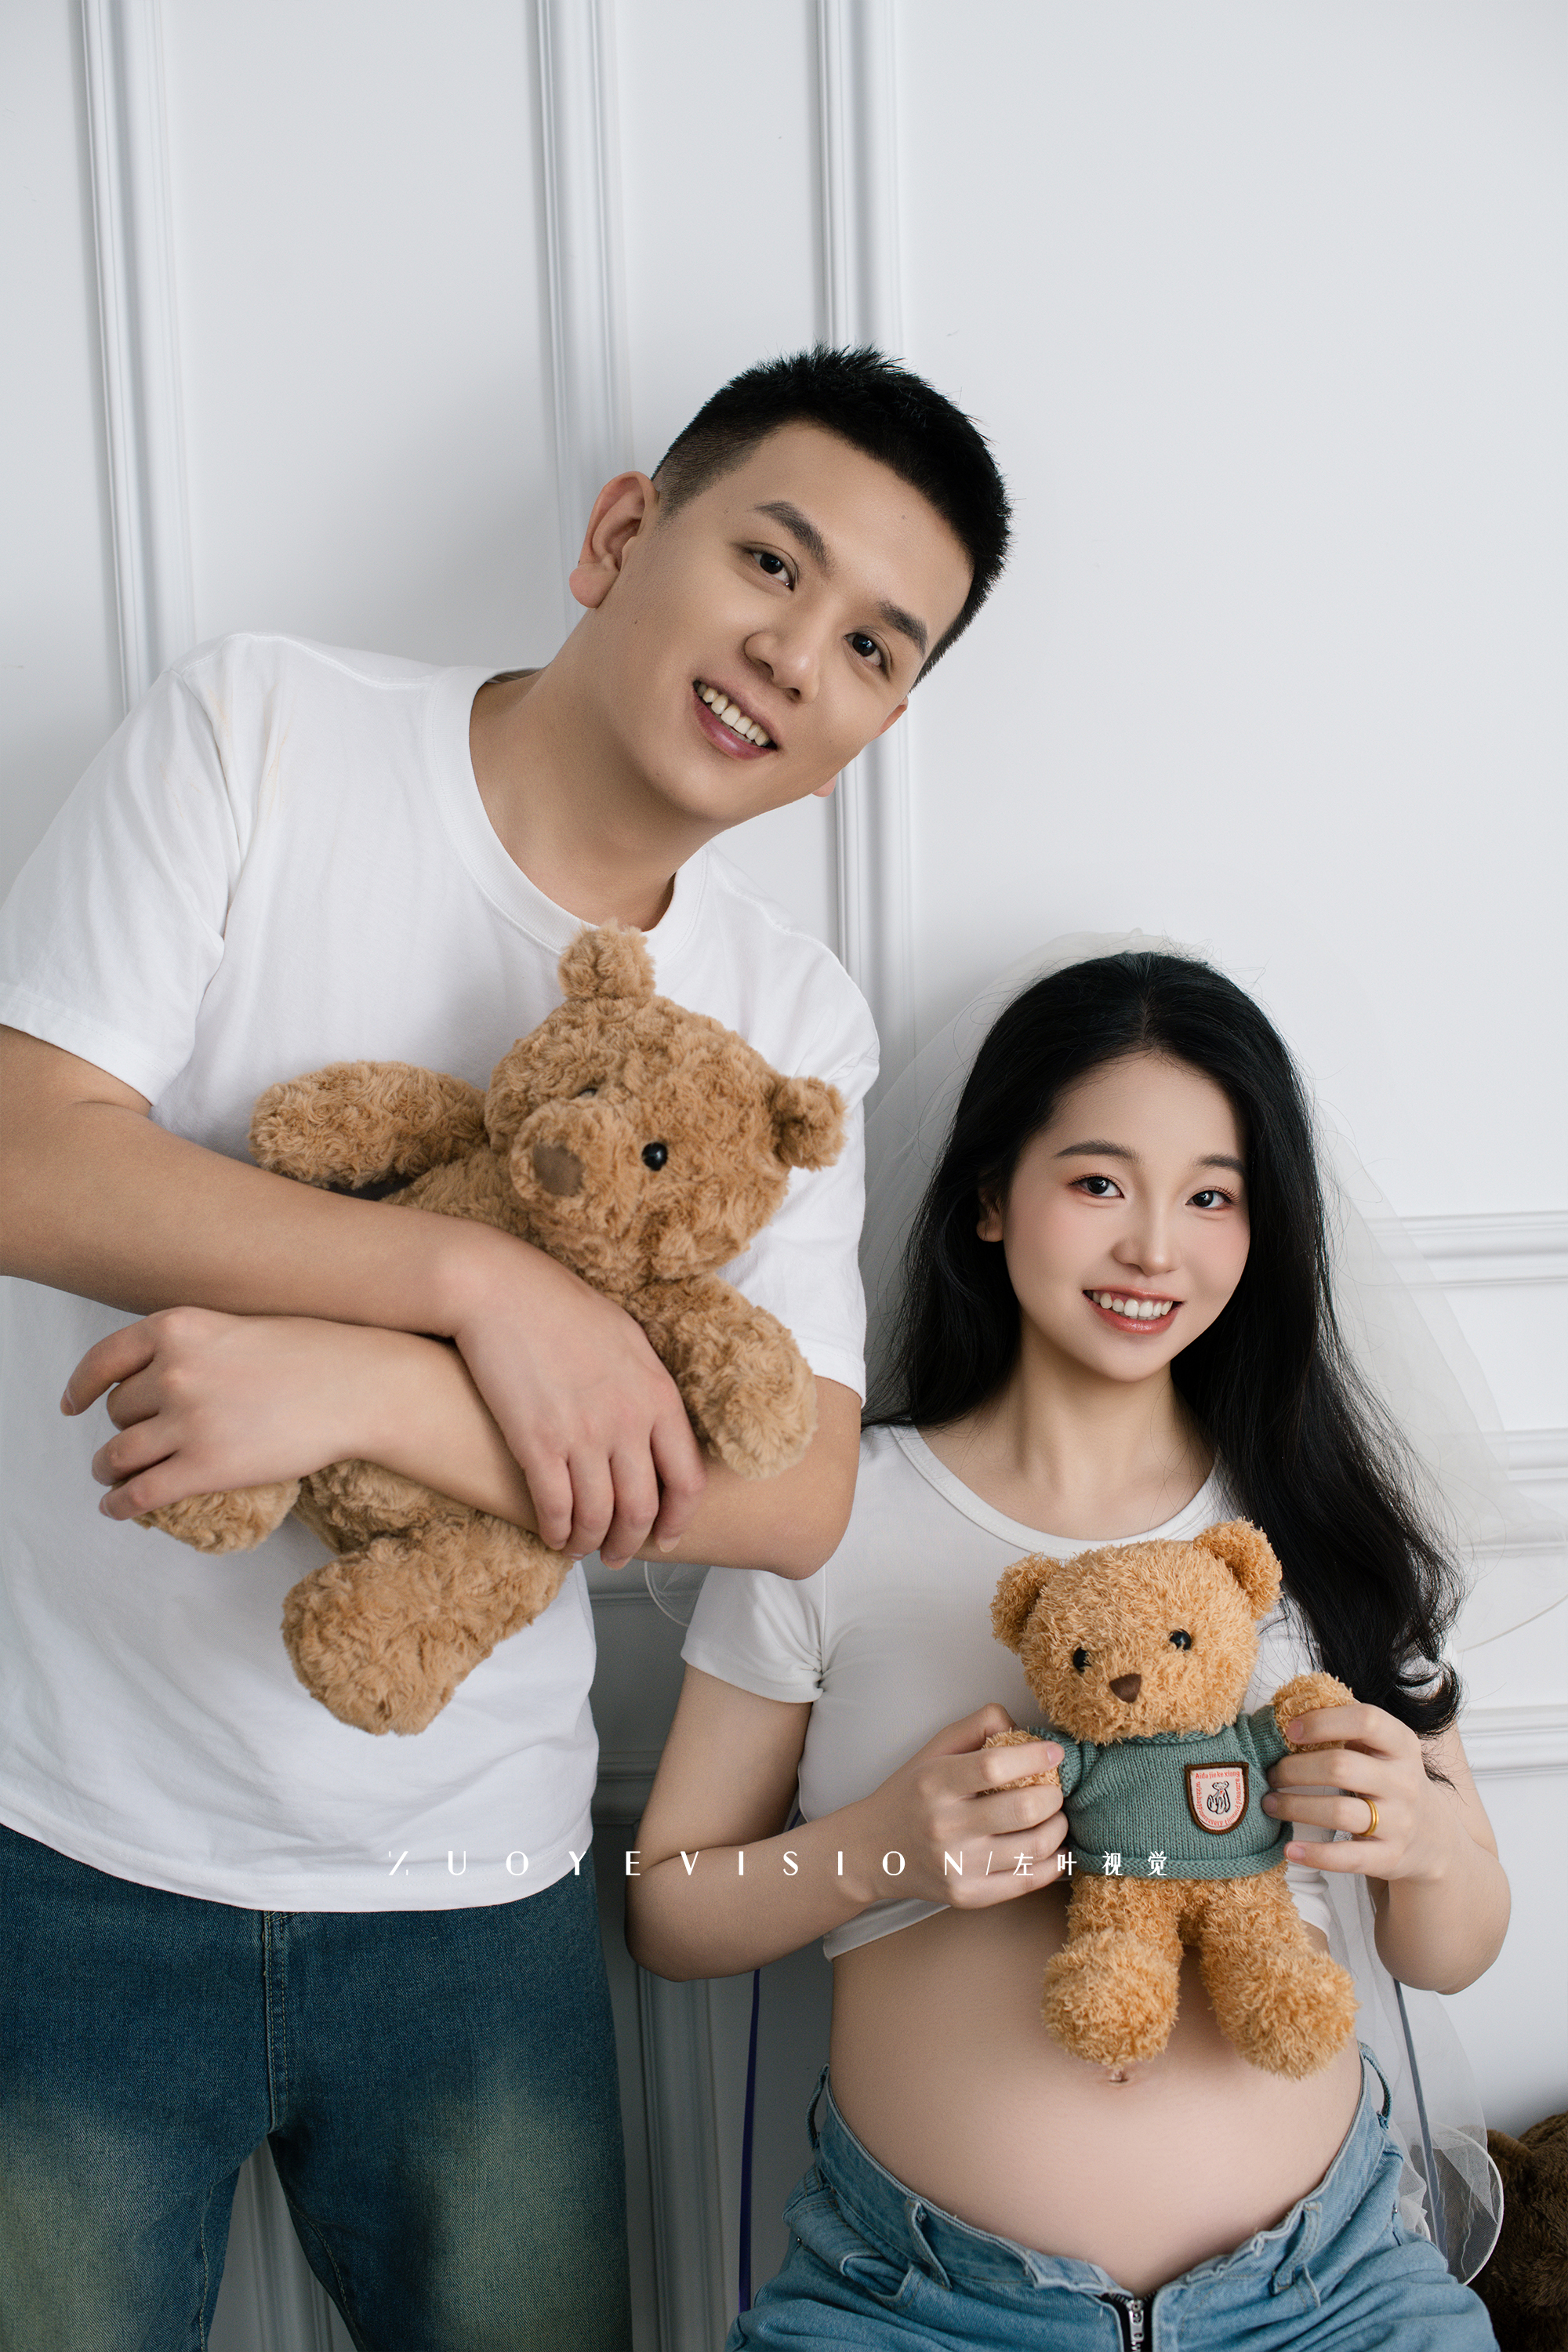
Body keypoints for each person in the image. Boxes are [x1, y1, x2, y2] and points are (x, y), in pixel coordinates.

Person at [0, 347, 1010, 2350]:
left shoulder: (789, 1021)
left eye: (871, 646)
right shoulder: (261, 729)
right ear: (623, 532)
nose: (794, 651)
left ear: (875, 730)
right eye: (771, 561)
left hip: (474, 1897)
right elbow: (30, 1154)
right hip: (65, 1850)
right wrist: (482, 1290)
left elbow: (800, 1491)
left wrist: (372, 1391)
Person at [624, 948, 1508, 2348]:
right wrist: (883, 1849)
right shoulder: (831, 1515)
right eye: (1099, 1183)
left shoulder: (1315, 1525)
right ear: (989, 1197)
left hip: (1327, 2296)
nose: (1155, 1248)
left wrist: (1433, 1845)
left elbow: (1454, 1950)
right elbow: (667, 1907)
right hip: (919, 2306)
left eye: (1212, 1196)